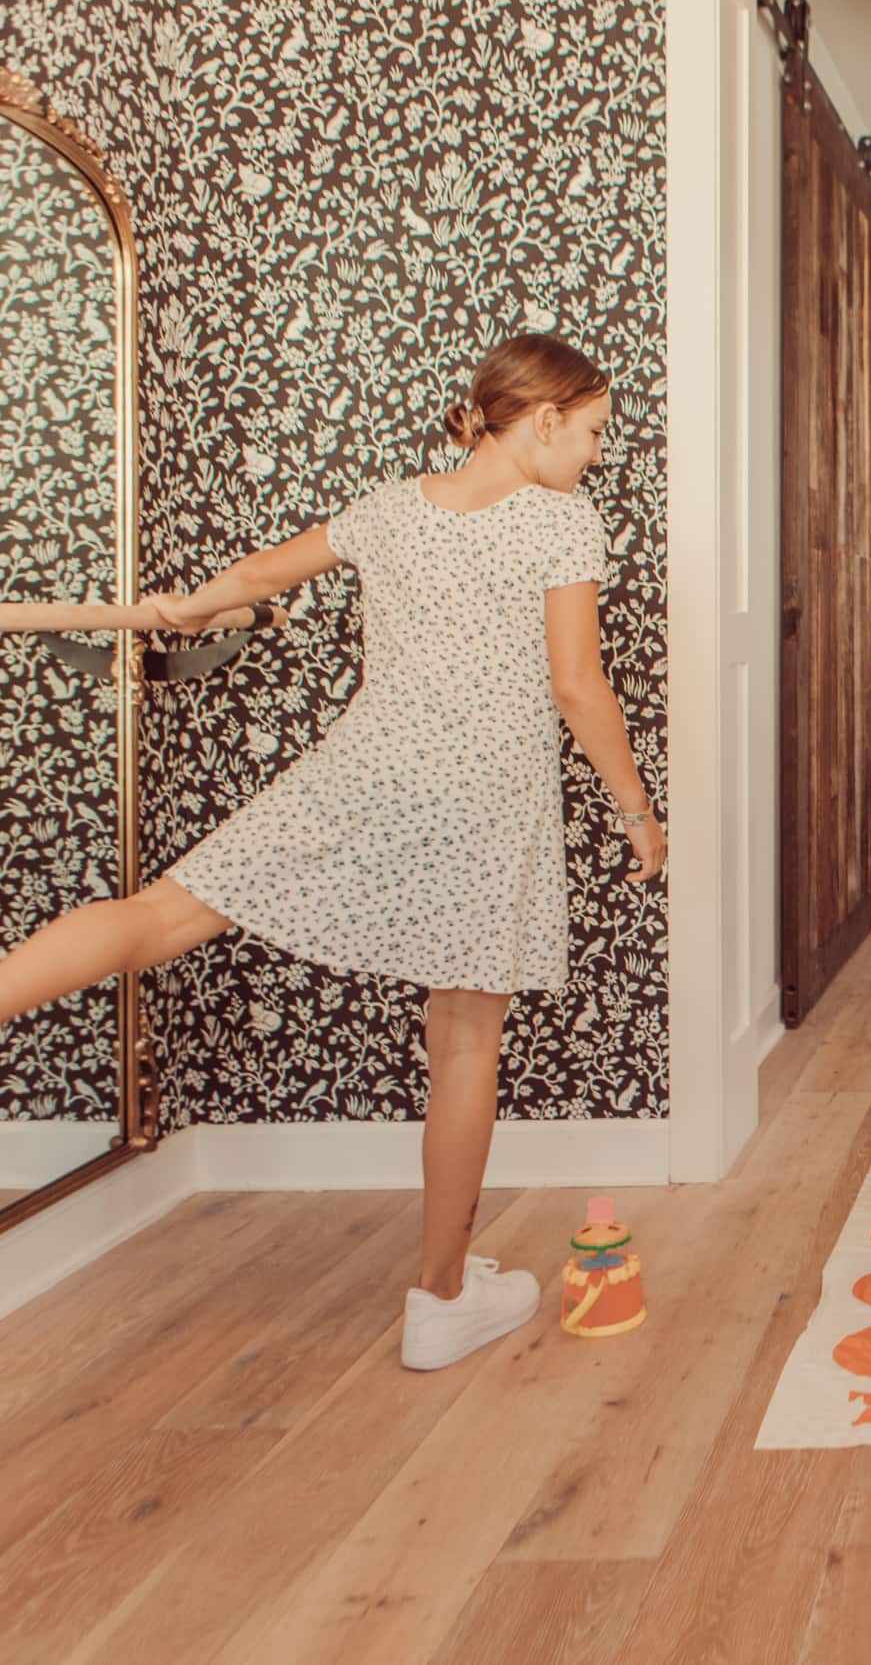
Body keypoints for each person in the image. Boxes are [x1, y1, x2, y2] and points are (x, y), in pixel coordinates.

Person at [0, 333, 664, 1372]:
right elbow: (579, 687)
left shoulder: (391, 508)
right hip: (485, 798)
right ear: (539, 422)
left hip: (366, 771)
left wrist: (194, 601)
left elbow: (262, 571)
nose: (592, 453)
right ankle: (441, 1296)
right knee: (463, 1041)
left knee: (166, 915)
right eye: (589, 432)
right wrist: (635, 808)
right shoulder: (559, 522)